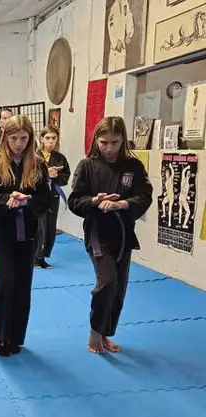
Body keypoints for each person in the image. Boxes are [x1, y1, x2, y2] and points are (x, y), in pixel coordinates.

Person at [68, 116, 153, 354]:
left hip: (123, 234)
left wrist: (122, 204)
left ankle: (106, 333)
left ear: (122, 140)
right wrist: (95, 201)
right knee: (107, 282)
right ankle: (95, 331)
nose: (109, 148)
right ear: (96, 140)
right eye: (104, 142)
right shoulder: (87, 165)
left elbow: (145, 196)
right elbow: (74, 201)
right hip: (97, 233)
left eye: (115, 142)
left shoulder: (133, 166)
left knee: (118, 288)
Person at [0, 115, 51, 357]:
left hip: (28, 233)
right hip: (2, 232)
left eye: (23, 138)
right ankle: (1, 335)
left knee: (22, 287)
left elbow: (45, 199)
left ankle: (15, 336)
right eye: (13, 138)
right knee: (4, 284)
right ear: (5, 138)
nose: (19, 144)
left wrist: (27, 200)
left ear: (30, 139)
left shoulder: (38, 165)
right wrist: (7, 200)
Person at [35, 124, 70, 269]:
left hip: (53, 196)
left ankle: (43, 256)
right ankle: (35, 257)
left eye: (54, 138)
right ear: (41, 139)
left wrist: (56, 176)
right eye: (47, 138)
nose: (51, 141)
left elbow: (66, 176)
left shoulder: (60, 158)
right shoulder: (35, 156)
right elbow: (29, 177)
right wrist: (46, 174)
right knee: (40, 228)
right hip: (38, 197)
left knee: (50, 228)